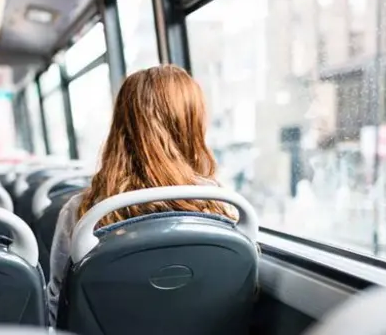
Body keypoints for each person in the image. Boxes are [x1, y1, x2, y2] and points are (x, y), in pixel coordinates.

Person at [46, 65, 240, 325]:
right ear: (192, 125)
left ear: (120, 127)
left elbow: (59, 307)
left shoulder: (83, 214)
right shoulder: (222, 207)